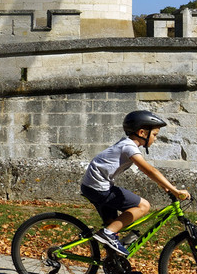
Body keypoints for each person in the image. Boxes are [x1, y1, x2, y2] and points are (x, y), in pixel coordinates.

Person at [81, 109, 191, 257]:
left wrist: (164, 185)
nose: (156, 139)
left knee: (114, 225)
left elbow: (150, 173)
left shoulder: (126, 144)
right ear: (142, 133)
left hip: (94, 187)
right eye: (154, 135)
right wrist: (175, 190)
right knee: (143, 206)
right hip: (99, 188)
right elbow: (150, 170)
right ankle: (107, 233)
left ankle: (113, 271)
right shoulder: (129, 146)